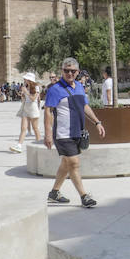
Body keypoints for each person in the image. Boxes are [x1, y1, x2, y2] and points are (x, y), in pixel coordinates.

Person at [43, 57, 105, 207]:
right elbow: (48, 112)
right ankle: (84, 197)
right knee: (74, 163)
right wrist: (48, 134)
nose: (69, 73)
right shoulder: (54, 89)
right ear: (62, 71)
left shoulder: (79, 86)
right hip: (63, 133)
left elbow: (85, 106)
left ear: (77, 72)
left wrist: (97, 122)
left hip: (77, 131)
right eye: (66, 70)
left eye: (72, 71)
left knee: (66, 164)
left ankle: (54, 192)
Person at [10, 72, 43, 153]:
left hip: (33, 107)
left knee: (35, 128)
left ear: (29, 80)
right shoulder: (25, 86)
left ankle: (39, 145)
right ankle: (19, 145)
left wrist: (26, 92)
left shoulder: (36, 87)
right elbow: (25, 98)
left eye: (25, 79)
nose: (24, 80)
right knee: (23, 128)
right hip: (26, 107)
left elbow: (33, 98)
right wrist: (22, 94)